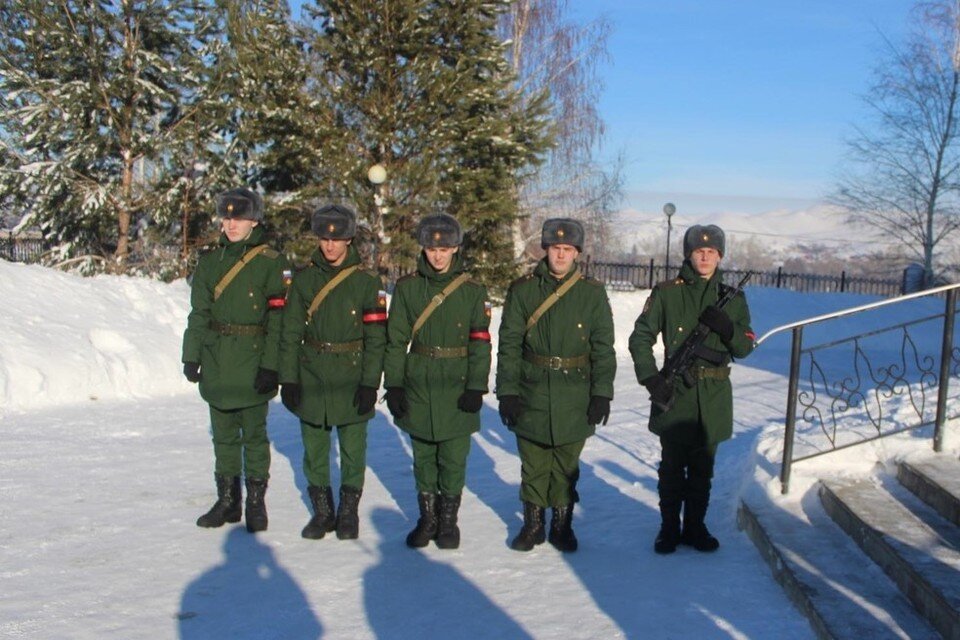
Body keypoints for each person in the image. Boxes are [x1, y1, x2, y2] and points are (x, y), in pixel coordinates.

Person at [628, 224, 755, 554]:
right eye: (699, 251)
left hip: (712, 397)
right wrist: (651, 378)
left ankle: (695, 527)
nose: (705, 256)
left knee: (702, 470)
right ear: (689, 254)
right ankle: (669, 528)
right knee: (671, 468)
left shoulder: (733, 299)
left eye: (712, 251)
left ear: (720, 256)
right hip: (676, 392)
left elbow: (744, 348)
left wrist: (728, 329)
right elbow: (640, 337)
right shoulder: (668, 292)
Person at [496, 218, 615, 553]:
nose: (561, 255)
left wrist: (602, 393)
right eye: (555, 248)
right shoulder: (523, 291)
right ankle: (533, 524)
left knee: (566, 464)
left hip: (574, 392)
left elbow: (603, 349)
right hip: (531, 387)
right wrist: (507, 391)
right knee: (532, 461)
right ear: (545, 249)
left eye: (567, 249)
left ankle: (562, 525)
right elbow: (509, 345)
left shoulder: (591, 294)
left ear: (577, 252)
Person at [181, 187, 291, 534]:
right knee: (223, 436)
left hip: (253, 359)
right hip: (216, 359)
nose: (231, 224)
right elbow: (199, 313)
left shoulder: (271, 263)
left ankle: (256, 503)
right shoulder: (210, 262)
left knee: (254, 436)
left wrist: (272, 365)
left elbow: (279, 322)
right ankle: (228, 501)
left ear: (254, 221)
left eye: (239, 218)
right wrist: (191, 354)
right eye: (227, 217)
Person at [383, 213, 492, 550]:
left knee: (454, 456)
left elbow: (480, 342)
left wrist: (476, 386)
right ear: (424, 248)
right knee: (424, 456)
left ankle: (448, 522)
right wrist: (395, 384)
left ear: (456, 248)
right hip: (419, 379)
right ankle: (427, 519)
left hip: (457, 381)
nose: (438, 255)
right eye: (432, 248)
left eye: (445, 248)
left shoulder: (473, 291)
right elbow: (396, 340)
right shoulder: (408, 288)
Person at [278, 204, 386, 541]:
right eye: (324, 238)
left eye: (337, 239)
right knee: (314, 447)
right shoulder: (304, 279)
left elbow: (376, 337)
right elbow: (290, 331)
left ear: (349, 239)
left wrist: (371, 382)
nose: (329, 245)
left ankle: (349, 512)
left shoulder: (367, 282)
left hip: (352, 372)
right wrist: (289, 377)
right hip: (312, 371)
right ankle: (323, 512)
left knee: (354, 449)